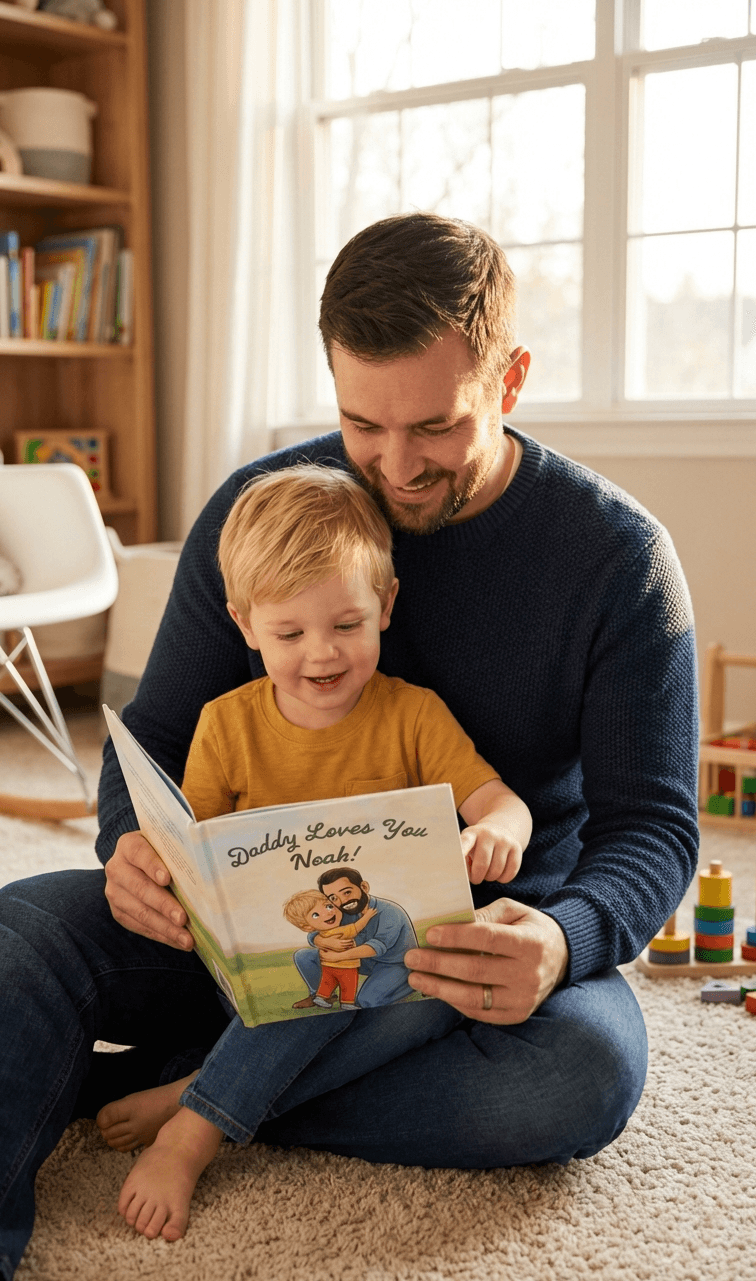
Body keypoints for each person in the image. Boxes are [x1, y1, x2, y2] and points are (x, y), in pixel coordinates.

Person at [0, 212, 699, 1281]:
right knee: (20, 938)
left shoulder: (617, 560)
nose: (393, 465)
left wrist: (563, 942)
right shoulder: (262, 512)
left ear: (510, 379)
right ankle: (232, 1072)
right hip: (236, 928)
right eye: (360, 422)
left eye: (435, 427)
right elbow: (158, 738)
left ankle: (205, 1095)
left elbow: (654, 826)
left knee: (581, 1076)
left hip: (462, 962)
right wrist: (132, 845)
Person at [108, 461, 532, 1240]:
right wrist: (160, 865)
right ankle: (200, 1123)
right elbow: (193, 849)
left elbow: (497, 799)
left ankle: (196, 1101)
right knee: (315, 986)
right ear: (243, 625)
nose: (322, 655)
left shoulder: (413, 715)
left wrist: (498, 828)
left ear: (387, 606)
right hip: (268, 977)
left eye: (347, 625)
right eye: (289, 633)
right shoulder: (226, 726)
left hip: (394, 979)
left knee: (442, 994)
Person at [283, 887, 377, 1010]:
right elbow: (353, 928)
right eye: (316, 914)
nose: (328, 912)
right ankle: (332, 999)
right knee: (346, 983)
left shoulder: (332, 924)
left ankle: (328, 998)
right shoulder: (336, 925)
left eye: (328, 906)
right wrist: (323, 941)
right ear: (306, 926)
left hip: (351, 961)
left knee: (334, 983)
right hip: (341, 964)